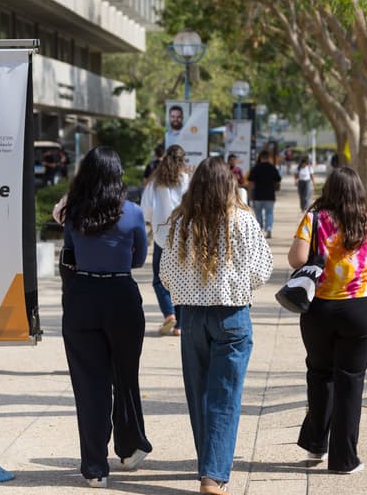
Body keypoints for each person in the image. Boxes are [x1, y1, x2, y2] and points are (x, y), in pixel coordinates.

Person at [160, 157, 273, 495]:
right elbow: (262, 269)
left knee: (199, 394)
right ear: (229, 184)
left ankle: (208, 465)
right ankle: (212, 475)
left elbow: (166, 274)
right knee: (225, 395)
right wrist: (238, 284)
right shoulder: (243, 219)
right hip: (232, 315)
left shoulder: (181, 222)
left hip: (192, 316)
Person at [286, 166, 367, 474]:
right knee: (350, 381)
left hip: (318, 309)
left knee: (319, 373)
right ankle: (344, 459)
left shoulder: (314, 219)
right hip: (358, 311)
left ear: (329, 190)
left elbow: (296, 259)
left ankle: (316, 444)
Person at [58, 146, 152, 488]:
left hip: (82, 296)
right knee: (125, 377)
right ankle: (128, 447)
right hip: (120, 296)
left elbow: (69, 251)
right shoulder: (133, 212)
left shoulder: (73, 212)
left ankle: (95, 467)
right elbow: (139, 259)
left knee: (89, 386)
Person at [140, 145, 189, 337]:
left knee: (159, 279)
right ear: (182, 161)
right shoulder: (187, 181)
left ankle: (169, 313)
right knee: (182, 280)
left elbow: (146, 210)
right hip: (183, 236)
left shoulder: (155, 183)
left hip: (162, 236)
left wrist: (151, 221)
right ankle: (180, 326)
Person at [248, 150, 282, 239]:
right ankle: (269, 228)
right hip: (270, 195)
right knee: (269, 213)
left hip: (258, 195)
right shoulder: (272, 168)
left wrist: (250, 195)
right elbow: (278, 179)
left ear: (260, 158)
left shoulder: (255, 168)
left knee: (258, 214)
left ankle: (259, 230)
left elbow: (251, 182)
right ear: (268, 158)